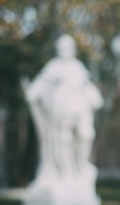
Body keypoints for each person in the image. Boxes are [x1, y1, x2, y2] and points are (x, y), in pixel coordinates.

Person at [22, 34, 104, 191]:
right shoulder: (53, 67)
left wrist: (95, 97)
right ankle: (66, 173)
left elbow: (86, 85)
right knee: (63, 140)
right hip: (62, 111)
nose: (64, 51)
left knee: (86, 135)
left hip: (80, 109)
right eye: (61, 48)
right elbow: (41, 83)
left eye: (67, 47)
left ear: (72, 49)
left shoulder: (77, 67)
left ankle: (81, 166)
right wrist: (32, 92)